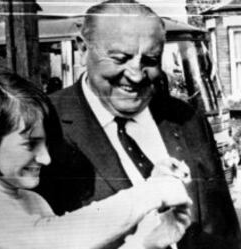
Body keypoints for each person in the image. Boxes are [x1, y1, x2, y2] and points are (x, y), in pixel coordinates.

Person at [38, 1, 241, 249]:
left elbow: (223, 229)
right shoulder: (45, 125)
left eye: (150, 60)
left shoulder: (186, 118)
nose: (135, 75)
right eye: (120, 58)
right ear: (83, 48)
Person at [0, 71, 192, 249]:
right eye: (30, 143)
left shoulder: (31, 201)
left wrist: (145, 242)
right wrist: (148, 194)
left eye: (45, 143)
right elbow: (53, 239)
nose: (45, 158)